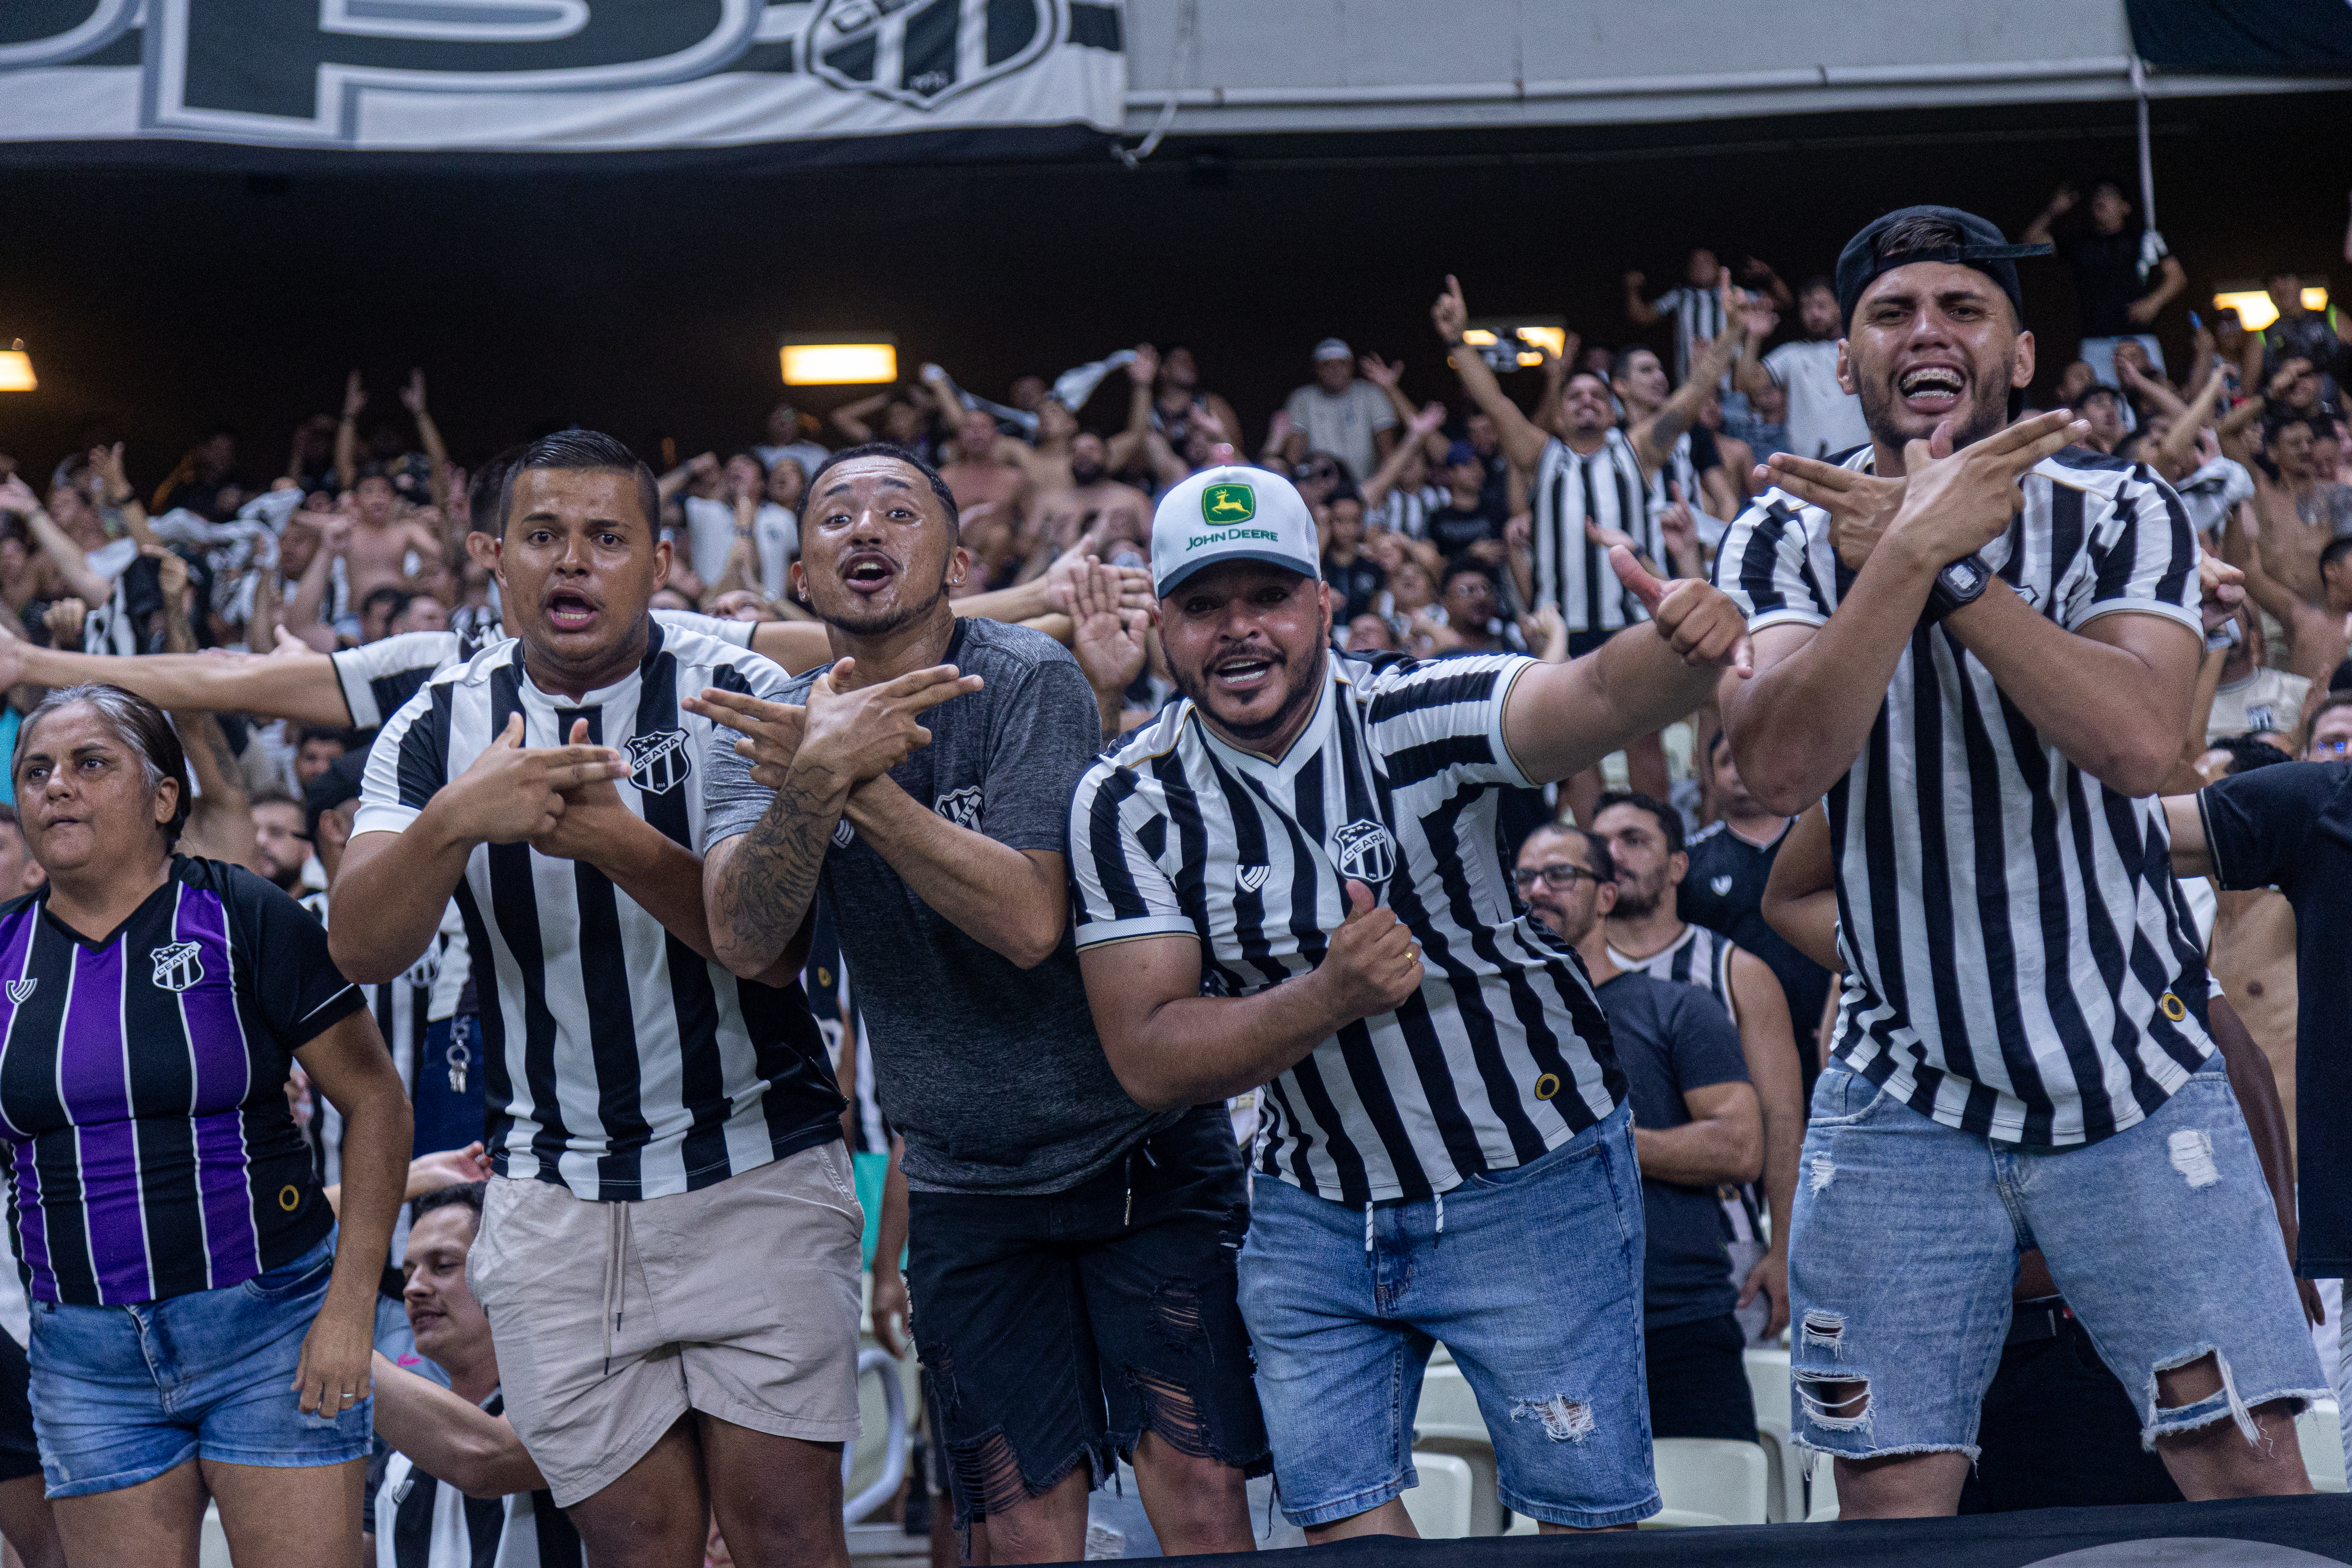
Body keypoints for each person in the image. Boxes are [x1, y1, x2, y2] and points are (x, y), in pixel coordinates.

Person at [1716, 202, 2321, 1516]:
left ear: (2024, 352)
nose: (1926, 332)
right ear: (1848, 360)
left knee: (2244, 1469)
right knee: (1891, 1500)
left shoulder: (2120, 506)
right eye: (1892, 312)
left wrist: (1940, 565)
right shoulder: (1781, 528)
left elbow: (2142, 741)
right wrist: (1898, 556)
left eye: (1962, 308)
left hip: (2133, 1069)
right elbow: (1772, 773)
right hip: (1903, 1090)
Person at [1069, 463, 1752, 1539]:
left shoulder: (1409, 712)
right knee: (1340, 1525)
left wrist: (1677, 653)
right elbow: (1148, 1055)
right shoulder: (1126, 799)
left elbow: (1589, 701)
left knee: (1581, 1532)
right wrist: (1329, 995)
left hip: (1527, 1174)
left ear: (1323, 605)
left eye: (1267, 597)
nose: (1238, 630)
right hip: (1314, 1208)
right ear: (1161, 624)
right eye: (1203, 606)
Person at [693, 443, 1266, 1562]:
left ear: (957, 558)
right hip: (964, 1179)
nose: (865, 530)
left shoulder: (1022, 677)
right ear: (799, 575)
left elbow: (1026, 919)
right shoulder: (760, 723)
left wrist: (852, 780)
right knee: (1012, 1525)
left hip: (1134, 1154)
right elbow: (751, 944)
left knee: (1197, 1495)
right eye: (836, 515)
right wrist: (811, 777)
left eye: (897, 512)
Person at [330, 431, 861, 1568]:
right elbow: (363, 944)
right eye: (544, 536)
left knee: (784, 1538)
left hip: (753, 1166)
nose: (573, 562)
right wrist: (454, 822)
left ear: (659, 558)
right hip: (553, 1196)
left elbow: (766, 951)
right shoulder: (436, 726)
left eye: (606, 538)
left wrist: (617, 844)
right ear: (494, 558)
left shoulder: (744, 691)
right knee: (634, 1548)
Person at [0, 682, 410, 1564]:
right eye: (35, 771)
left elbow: (376, 1101)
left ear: (163, 797)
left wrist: (349, 1309)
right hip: (84, 1352)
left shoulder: (241, 911)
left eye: (89, 764)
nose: (56, 787)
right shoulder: (1, 954)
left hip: (267, 1326)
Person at [1441, 274, 1743, 823]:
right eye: (1575, 396)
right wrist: (1459, 343)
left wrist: (1732, 333)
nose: (1585, 403)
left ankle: (1656, 845)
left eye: (1597, 397)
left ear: (1612, 410)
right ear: (1559, 414)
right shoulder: (1541, 455)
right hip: (1565, 625)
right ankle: (1589, 855)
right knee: (1574, 759)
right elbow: (1496, 401)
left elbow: (1692, 394)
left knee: (1644, 749)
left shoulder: (1639, 451)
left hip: (1629, 622)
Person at [1514, 823, 1762, 1441]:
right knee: (1564, 1537)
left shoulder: (1676, 1008)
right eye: (1524, 878)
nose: (1538, 890)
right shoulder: (1495, 1028)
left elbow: (1740, 1147)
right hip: (1543, 1332)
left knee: (1712, 1530)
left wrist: (1600, 1143)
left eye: (1560, 875)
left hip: (1676, 1320)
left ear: (1606, 895)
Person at [1590, 791, 1801, 1341]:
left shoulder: (1739, 971)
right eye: (1601, 844)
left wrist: (1784, 1249)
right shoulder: (1561, 978)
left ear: (1679, 865)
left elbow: (1781, 1122)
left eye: (1634, 841)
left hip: (1720, 1244)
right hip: (1586, 1248)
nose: (1614, 854)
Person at [367, 1181, 586, 1567]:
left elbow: (482, 1457)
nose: (413, 1289)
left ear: (510, 1274)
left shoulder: (573, 1404)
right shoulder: (397, 1458)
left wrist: (334, 1333)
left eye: (443, 1266)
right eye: (408, 1272)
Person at [1678, 732, 1834, 1085]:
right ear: (1710, 777)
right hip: (1734, 1045)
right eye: (1726, 762)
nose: (1739, 771)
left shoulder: (1824, 844)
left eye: (1750, 756)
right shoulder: (1690, 862)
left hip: (1829, 1030)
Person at [2021, 180, 2187, 389]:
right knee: (2098, 404)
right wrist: (2053, 211)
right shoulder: (2080, 241)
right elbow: (2030, 241)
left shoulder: (2143, 237)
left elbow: (2177, 277)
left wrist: (2152, 303)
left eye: (2109, 195)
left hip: (2139, 338)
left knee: (2153, 398)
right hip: (2095, 341)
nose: (2101, 199)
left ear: (2124, 207)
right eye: (2097, 195)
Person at [1735, 276, 1870, 462]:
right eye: (1807, 308)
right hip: (1809, 468)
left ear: (1840, 307)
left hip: (1863, 464)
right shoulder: (1793, 354)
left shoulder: (1861, 347)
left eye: (1821, 306)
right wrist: (1754, 337)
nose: (1814, 314)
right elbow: (1747, 384)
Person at [1280, 339, 1396, 484]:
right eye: (1327, 365)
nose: (1335, 370)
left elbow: (1388, 450)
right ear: (1316, 369)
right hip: (1320, 489)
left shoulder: (1371, 394)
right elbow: (1293, 454)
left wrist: (1386, 485)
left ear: (1351, 367)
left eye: (1342, 364)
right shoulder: (1302, 399)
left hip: (1369, 486)